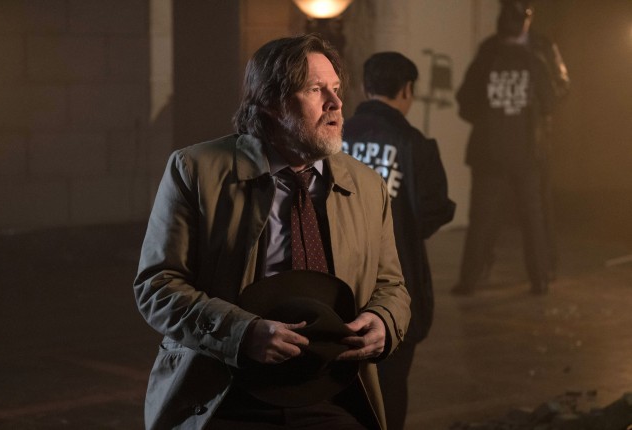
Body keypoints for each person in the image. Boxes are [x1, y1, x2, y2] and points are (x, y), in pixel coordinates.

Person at [133, 34, 411, 430]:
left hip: (333, 391)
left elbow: (391, 285)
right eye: (315, 90)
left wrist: (384, 320)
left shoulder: (367, 186)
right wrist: (242, 334)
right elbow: (157, 286)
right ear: (270, 102)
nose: (335, 103)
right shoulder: (195, 171)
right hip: (227, 391)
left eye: (336, 89)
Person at [342, 52, 456, 430]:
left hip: (336, 280)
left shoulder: (336, 134)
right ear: (407, 90)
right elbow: (435, 208)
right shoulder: (414, 143)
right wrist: (402, 230)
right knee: (390, 383)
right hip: (395, 283)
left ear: (365, 87)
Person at [452, 0, 570, 296]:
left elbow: (465, 101)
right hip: (528, 150)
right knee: (533, 216)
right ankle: (539, 279)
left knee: (483, 217)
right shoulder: (537, 54)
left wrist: (492, 118)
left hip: (491, 151)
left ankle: (470, 280)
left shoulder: (489, 52)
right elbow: (553, 99)